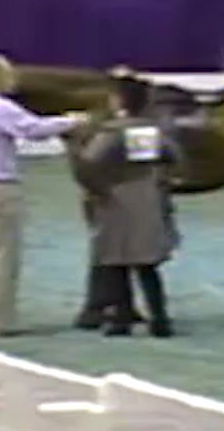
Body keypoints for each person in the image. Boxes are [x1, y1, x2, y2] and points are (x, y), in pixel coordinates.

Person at [0, 54, 88, 337]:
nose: (14, 80)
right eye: (9, 75)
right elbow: (33, 130)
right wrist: (71, 121)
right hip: (1, 188)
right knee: (4, 257)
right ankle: (1, 320)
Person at [73, 74, 182, 337]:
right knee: (147, 265)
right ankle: (160, 318)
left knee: (117, 261)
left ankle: (121, 318)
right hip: (148, 197)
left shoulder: (113, 132)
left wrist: (97, 187)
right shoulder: (151, 131)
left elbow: (89, 162)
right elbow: (174, 155)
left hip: (118, 200)